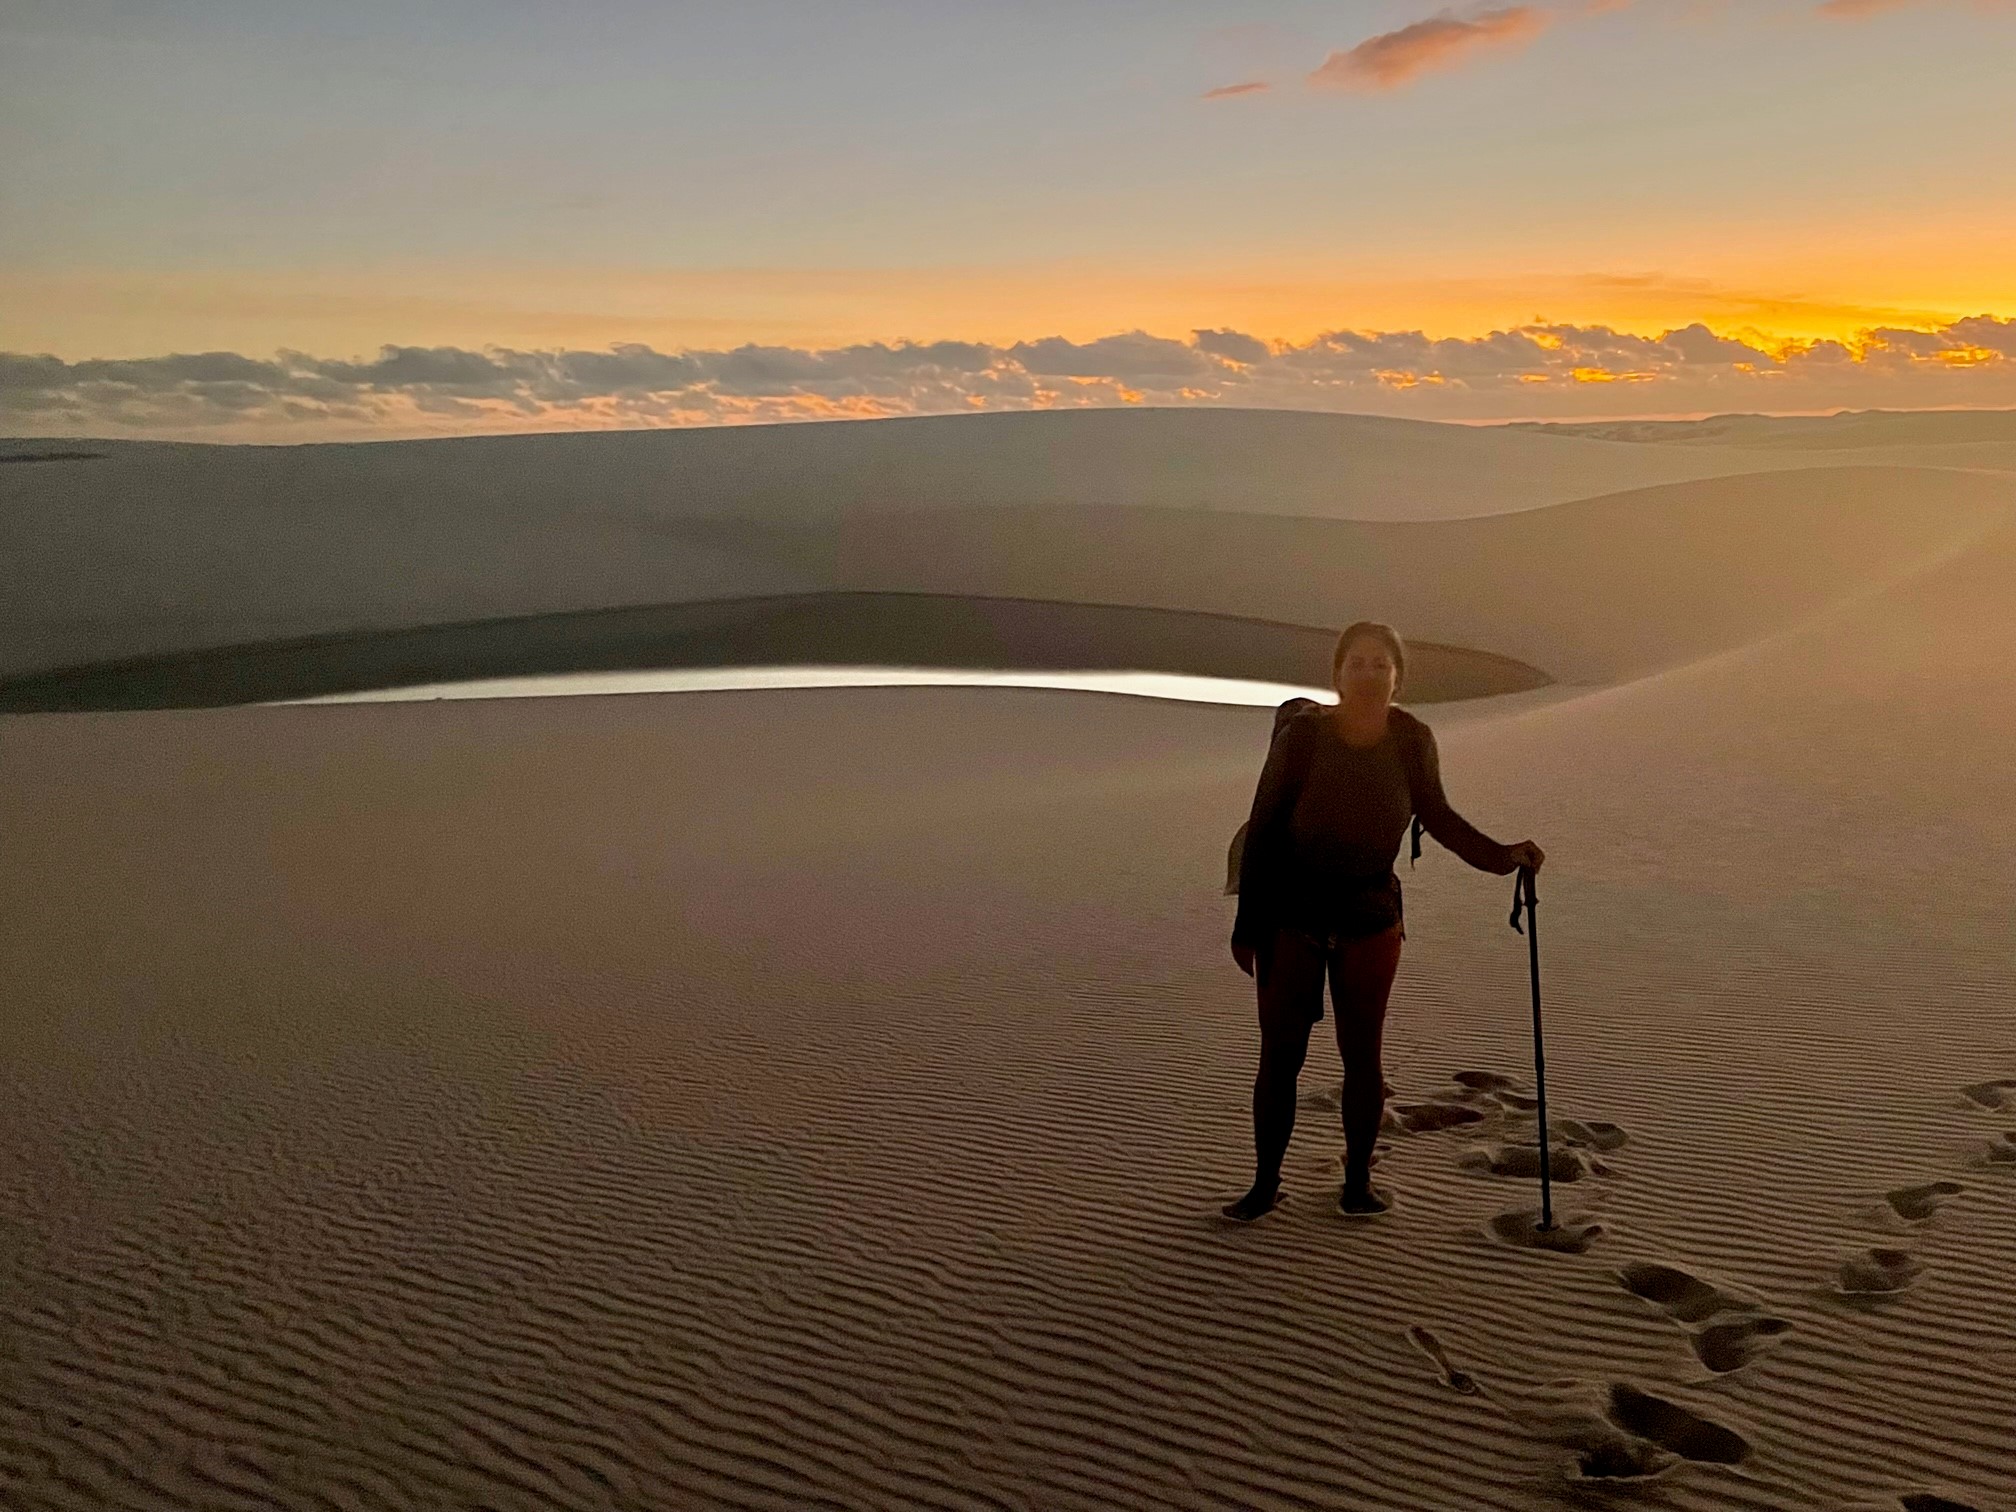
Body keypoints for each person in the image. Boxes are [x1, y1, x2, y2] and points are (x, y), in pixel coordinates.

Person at [1222, 621, 1544, 1221]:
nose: (1368, 673)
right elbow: (1263, 831)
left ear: (1397, 677)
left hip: (1369, 914)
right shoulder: (1303, 739)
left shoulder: (1411, 739)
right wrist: (1248, 926)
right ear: (1337, 675)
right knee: (1281, 1057)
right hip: (1291, 914)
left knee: (1362, 1055)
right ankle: (1265, 1185)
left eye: (1380, 664)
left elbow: (1439, 817)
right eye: (1357, 663)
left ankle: (1357, 1183)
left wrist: (1503, 858)